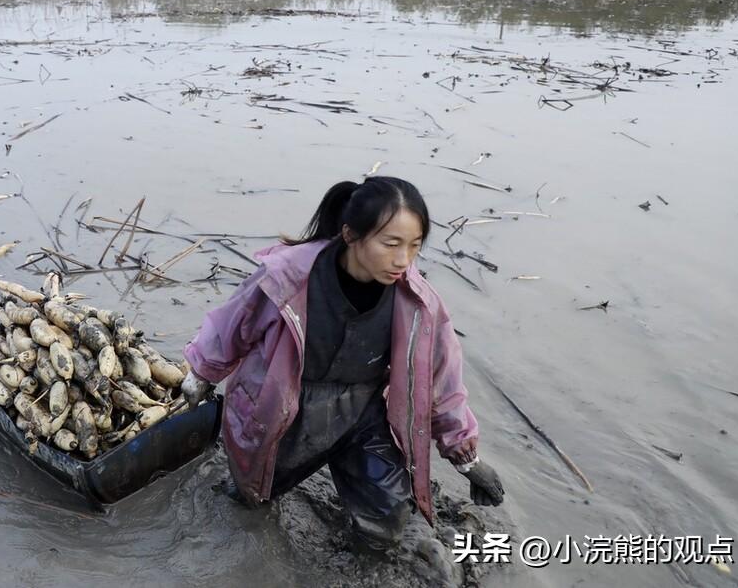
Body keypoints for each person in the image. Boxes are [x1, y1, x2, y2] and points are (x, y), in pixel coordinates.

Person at [180, 177, 503, 552]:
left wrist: (465, 456)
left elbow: (441, 382)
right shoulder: (287, 278)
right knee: (248, 501)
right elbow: (232, 325)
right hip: (285, 410)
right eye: (391, 244)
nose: (403, 260)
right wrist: (200, 374)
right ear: (350, 235)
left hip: (362, 414)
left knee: (386, 521)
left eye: (414, 246)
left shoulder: (418, 304)